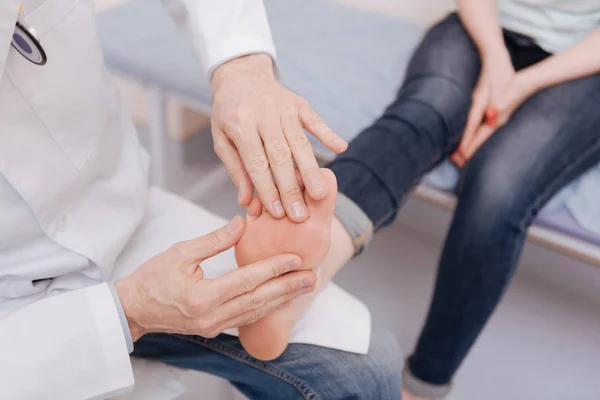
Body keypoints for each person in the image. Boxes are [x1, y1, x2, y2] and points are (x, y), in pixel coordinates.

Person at [0, 0, 403, 399]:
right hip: (16, 318)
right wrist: (130, 312)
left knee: (366, 371)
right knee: (428, 109)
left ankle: (286, 287)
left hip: (117, 212)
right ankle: (319, 253)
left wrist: (241, 65)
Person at [223, 0, 600, 398]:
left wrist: (516, 88)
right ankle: (300, 279)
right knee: (424, 113)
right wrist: (495, 61)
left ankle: (422, 386)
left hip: (583, 62)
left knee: (499, 182)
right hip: (482, 28)